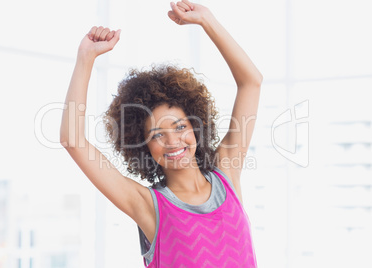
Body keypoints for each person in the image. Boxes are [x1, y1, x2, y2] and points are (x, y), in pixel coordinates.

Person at [60, 0, 262, 267]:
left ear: (195, 127)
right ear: (143, 146)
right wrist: (85, 59)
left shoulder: (227, 174)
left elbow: (251, 82)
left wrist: (207, 20)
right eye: (157, 135)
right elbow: (71, 140)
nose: (173, 142)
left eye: (180, 127)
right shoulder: (148, 205)